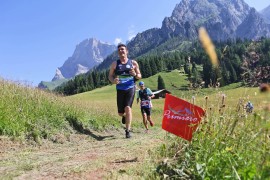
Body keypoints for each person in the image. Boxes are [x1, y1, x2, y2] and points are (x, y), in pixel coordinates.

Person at [108, 43, 142, 138]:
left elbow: (139, 76)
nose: (121, 51)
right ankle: (124, 116)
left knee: (128, 108)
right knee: (120, 113)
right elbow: (110, 76)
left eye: (122, 49)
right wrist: (113, 81)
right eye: (119, 50)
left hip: (131, 88)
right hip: (120, 89)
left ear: (126, 51)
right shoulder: (115, 64)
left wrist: (135, 74)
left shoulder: (133, 63)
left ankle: (128, 131)